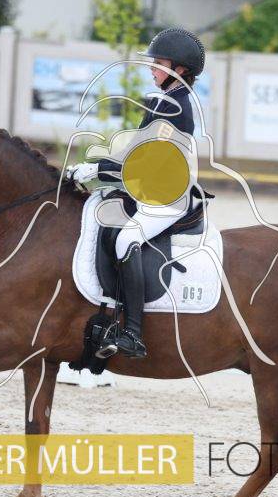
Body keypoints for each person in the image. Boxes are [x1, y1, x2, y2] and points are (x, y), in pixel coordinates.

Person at [64, 27, 206, 359]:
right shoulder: (164, 101)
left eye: (159, 63)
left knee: (127, 239)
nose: (151, 68)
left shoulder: (176, 108)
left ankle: (133, 333)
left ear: (180, 69)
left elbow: (148, 165)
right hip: (148, 191)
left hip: (167, 198)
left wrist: (98, 172)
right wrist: (95, 166)